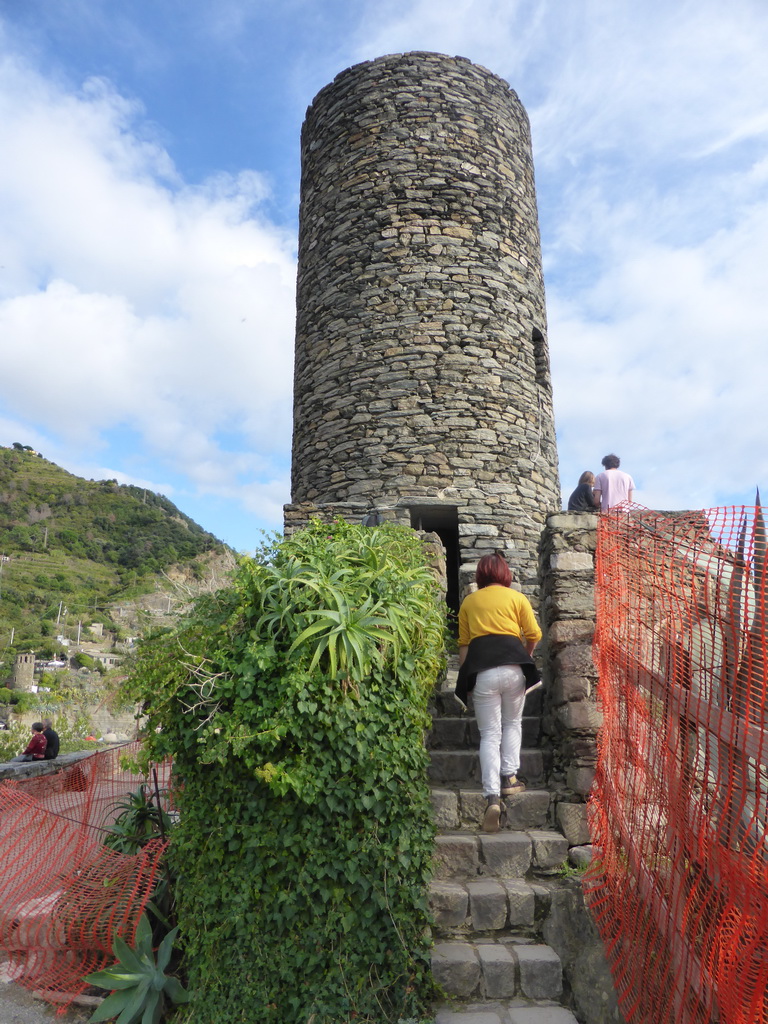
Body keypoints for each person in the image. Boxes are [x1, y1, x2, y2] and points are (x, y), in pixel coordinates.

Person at [455, 552, 542, 833]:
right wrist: (524, 655)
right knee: (512, 723)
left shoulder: (469, 601)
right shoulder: (516, 598)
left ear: (480, 575)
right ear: (505, 574)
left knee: (489, 734)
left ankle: (492, 797)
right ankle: (509, 778)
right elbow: (534, 634)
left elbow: (464, 647)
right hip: (513, 670)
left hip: (484, 672)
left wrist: (467, 680)